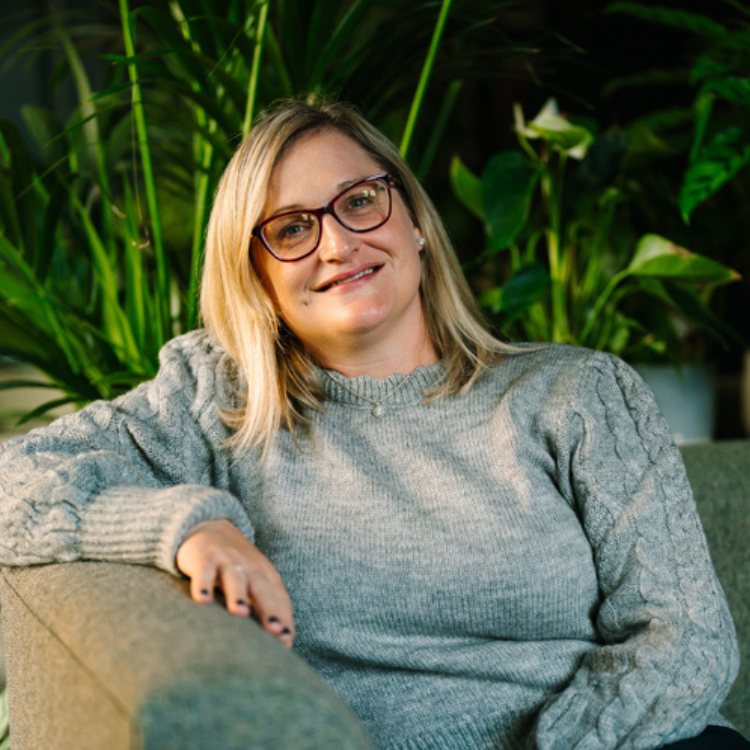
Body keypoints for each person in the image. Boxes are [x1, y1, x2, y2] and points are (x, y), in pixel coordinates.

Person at [0, 98, 746, 750]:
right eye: (292, 228)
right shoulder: (216, 401)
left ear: (414, 221)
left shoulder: (579, 393)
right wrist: (192, 528)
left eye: (359, 201)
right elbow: (14, 480)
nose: (337, 243)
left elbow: (685, 639)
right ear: (258, 276)